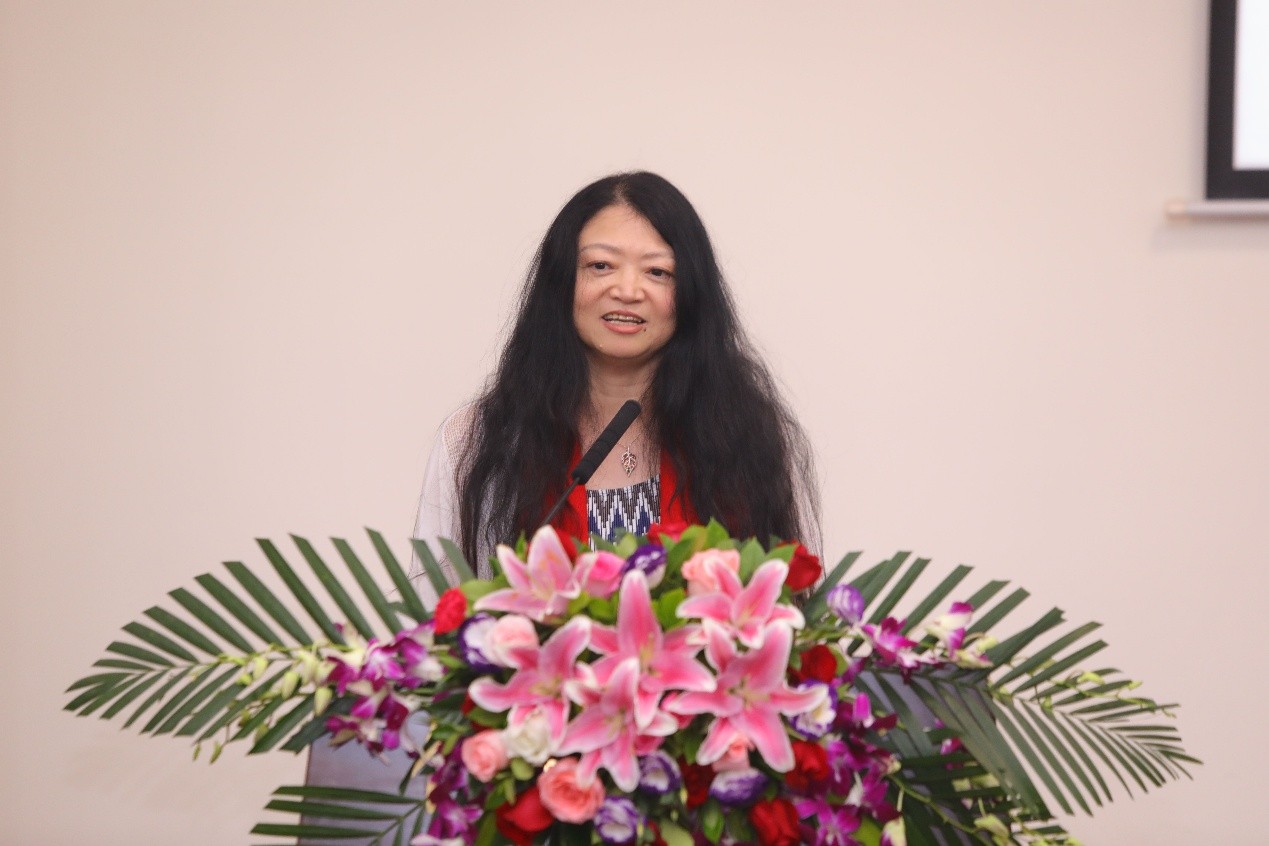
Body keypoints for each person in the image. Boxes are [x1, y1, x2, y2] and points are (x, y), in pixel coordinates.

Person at [412, 171, 818, 601]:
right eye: (600, 266)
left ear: (691, 295)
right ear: (561, 281)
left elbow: (786, 609)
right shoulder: (479, 440)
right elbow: (435, 615)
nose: (627, 290)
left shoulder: (744, 436)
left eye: (658, 272)